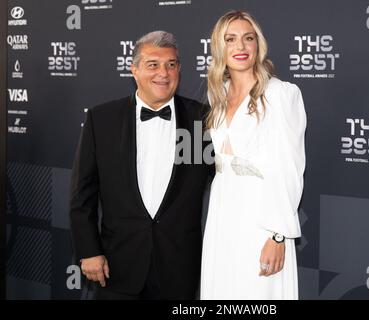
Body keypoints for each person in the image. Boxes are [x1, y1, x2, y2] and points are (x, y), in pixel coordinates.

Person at [70, 31, 212, 300]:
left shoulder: (201, 121)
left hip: (178, 268)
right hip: (117, 266)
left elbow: (226, 181)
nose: (164, 73)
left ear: (179, 69)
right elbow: (82, 194)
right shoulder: (102, 119)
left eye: (171, 64)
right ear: (133, 69)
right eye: (152, 65)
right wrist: (88, 250)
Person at [200, 11, 307, 300]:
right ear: (219, 47)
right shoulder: (218, 95)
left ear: (258, 45)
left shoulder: (280, 95)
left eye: (249, 38)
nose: (241, 47)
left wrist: (278, 235)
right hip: (222, 216)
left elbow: (290, 168)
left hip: (261, 220)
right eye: (231, 39)